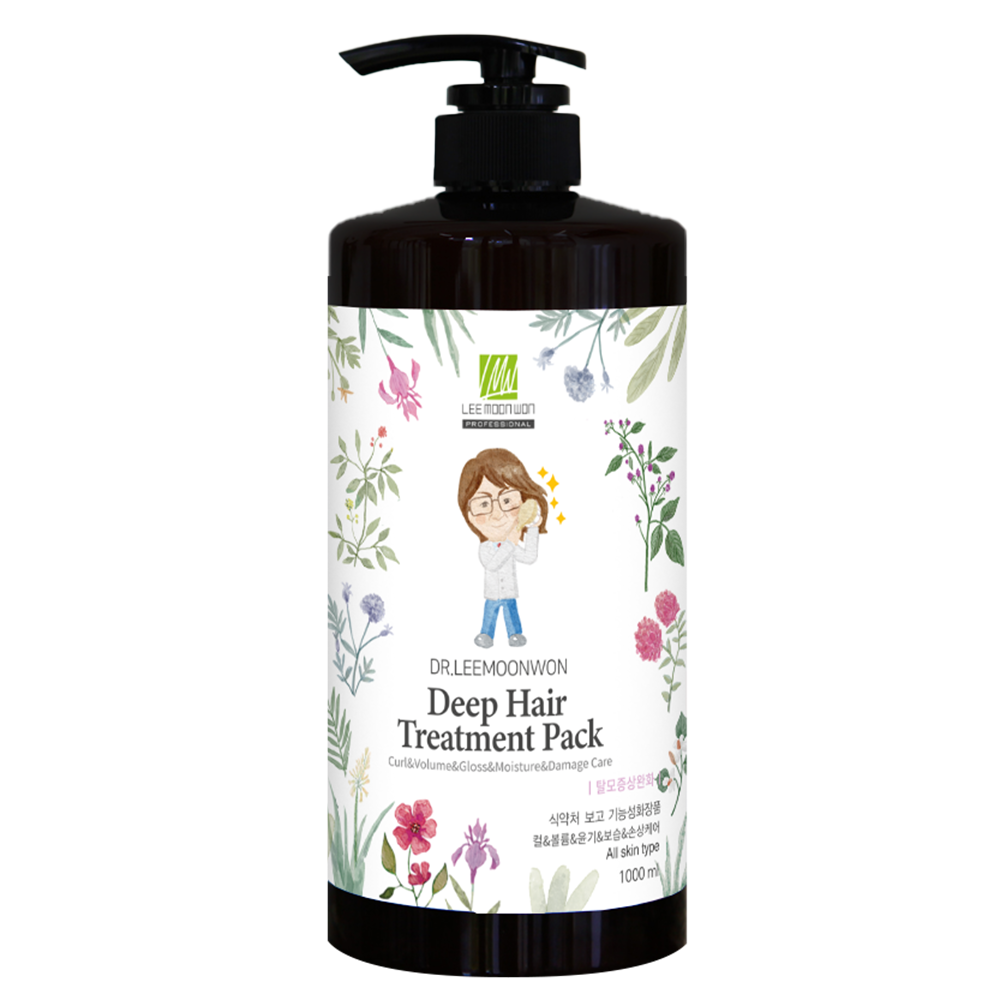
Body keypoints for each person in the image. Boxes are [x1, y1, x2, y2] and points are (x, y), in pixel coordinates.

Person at [457, 448, 548, 648]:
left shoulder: (511, 544)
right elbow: (492, 564)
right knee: (490, 612)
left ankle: (515, 634)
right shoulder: (486, 548)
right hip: (492, 592)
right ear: (469, 514)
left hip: (509, 591)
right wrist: (510, 542)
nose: (497, 514)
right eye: (483, 504)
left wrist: (532, 529)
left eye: (507, 500)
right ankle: (486, 635)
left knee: (511, 611)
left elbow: (529, 557)